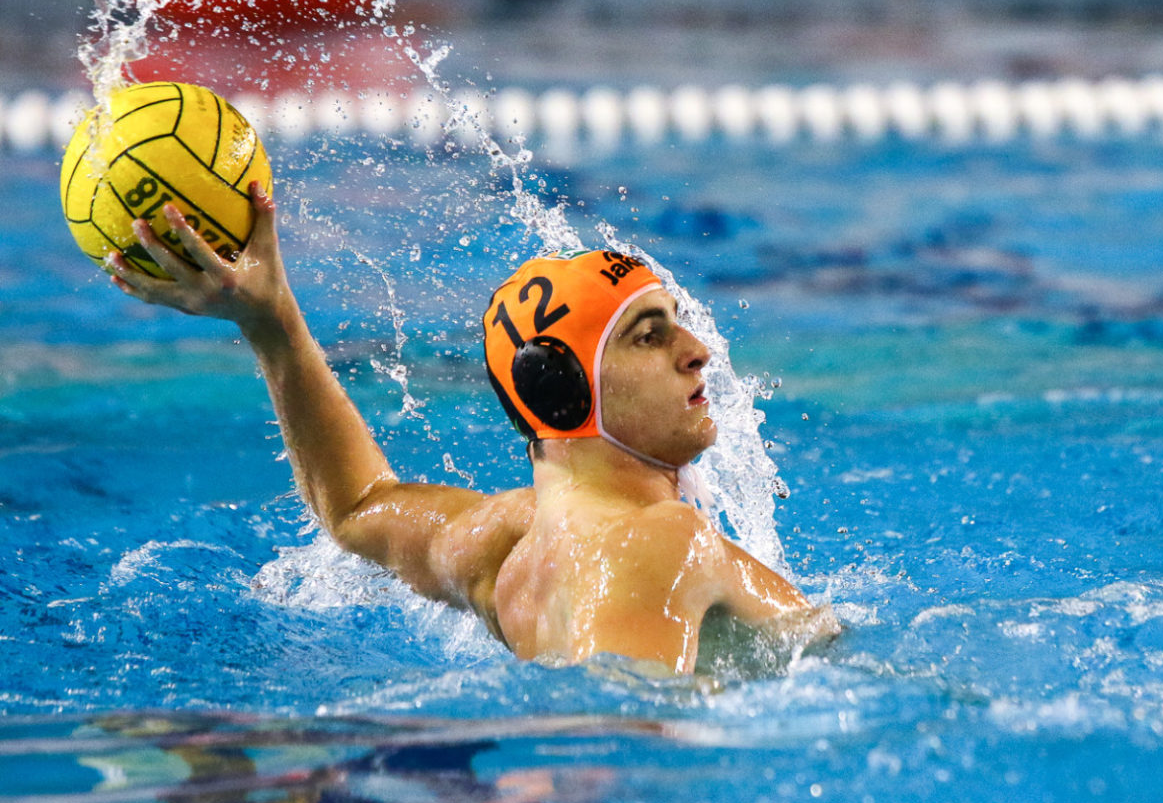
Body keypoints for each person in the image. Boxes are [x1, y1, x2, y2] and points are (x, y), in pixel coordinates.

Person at [105, 183, 839, 674]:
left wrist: (271, 323)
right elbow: (618, 754)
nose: (698, 351)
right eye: (648, 336)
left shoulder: (504, 543)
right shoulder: (655, 545)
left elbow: (359, 506)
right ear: (560, 389)